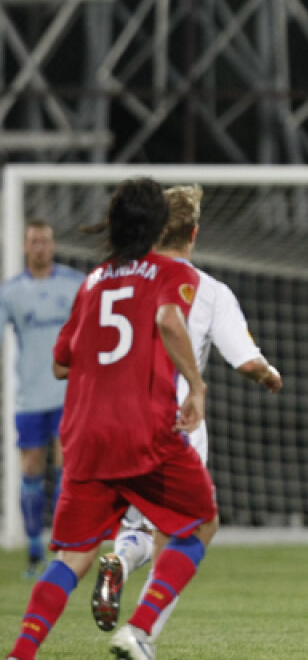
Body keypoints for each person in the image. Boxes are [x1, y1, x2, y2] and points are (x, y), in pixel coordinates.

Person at [5, 177, 213, 660]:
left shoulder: (91, 282)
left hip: (83, 434)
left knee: (72, 556)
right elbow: (167, 319)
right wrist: (197, 388)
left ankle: (20, 653)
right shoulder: (169, 272)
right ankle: (137, 630)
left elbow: (61, 362)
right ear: (159, 227)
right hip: (143, 431)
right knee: (199, 523)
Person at [89, 184, 283, 637]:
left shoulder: (114, 279)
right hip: (175, 421)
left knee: (137, 521)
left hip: (115, 419)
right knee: (186, 532)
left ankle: (118, 560)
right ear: (193, 234)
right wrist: (269, 374)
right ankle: (141, 633)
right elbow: (246, 360)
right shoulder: (207, 290)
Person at [0, 221, 85, 577]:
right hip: (30, 395)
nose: (40, 247)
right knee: (32, 467)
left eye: (46, 241)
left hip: (68, 393)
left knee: (66, 466)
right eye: (34, 241)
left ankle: (64, 547)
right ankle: (34, 550)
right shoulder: (11, 291)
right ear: (24, 246)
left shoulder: (75, 283)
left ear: (53, 245)